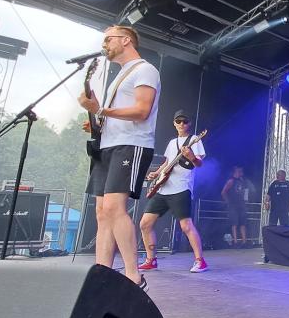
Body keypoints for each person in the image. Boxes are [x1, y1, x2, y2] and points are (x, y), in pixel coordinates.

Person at [78, 25, 160, 292]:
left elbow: (142, 110)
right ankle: (102, 271)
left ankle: (134, 276)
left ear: (125, 40)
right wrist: (97, 121)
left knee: (115, 208)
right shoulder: (118, 76)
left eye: (108, 39)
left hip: (131, 146)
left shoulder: (145, 69)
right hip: (108, 146)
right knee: (102, 212)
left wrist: (101, 108)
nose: (104, 44)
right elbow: (114, 114)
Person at [138, 110, 208, 273]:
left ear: (189, 123)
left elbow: (199, 164)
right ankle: (151, 259)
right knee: (145, 224)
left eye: (184, 121)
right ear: (174, 123)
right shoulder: (172, 143)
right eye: (178, 121)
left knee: (186, 226)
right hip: (163, 188)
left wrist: (191, 156)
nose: (181, 124)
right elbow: (167, 163)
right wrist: (156, 173)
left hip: (181, 188)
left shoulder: (194, 140)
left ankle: (200, 261)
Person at [221, 166, 254, 246]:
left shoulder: (242, 181)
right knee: (234, 223)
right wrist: (228, 202)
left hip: (242, 205)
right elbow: (223, 192)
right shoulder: (231, 181)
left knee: (243, 223)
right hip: (233, 205)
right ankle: (235, 242)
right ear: (236, 171)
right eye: (240, 171)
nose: (242, 173)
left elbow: (245, 191)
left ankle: (244, 241)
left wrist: (246, 201)